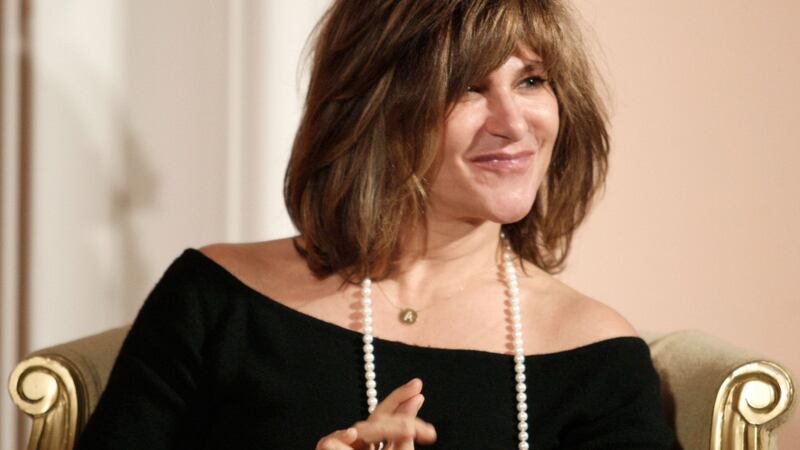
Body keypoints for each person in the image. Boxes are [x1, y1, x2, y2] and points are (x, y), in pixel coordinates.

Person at [76, 1, 676, 449]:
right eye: (468, 87)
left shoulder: (595, 353)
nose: (514, 123)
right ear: (376, 108)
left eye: (531, 80)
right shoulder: (216, 300)